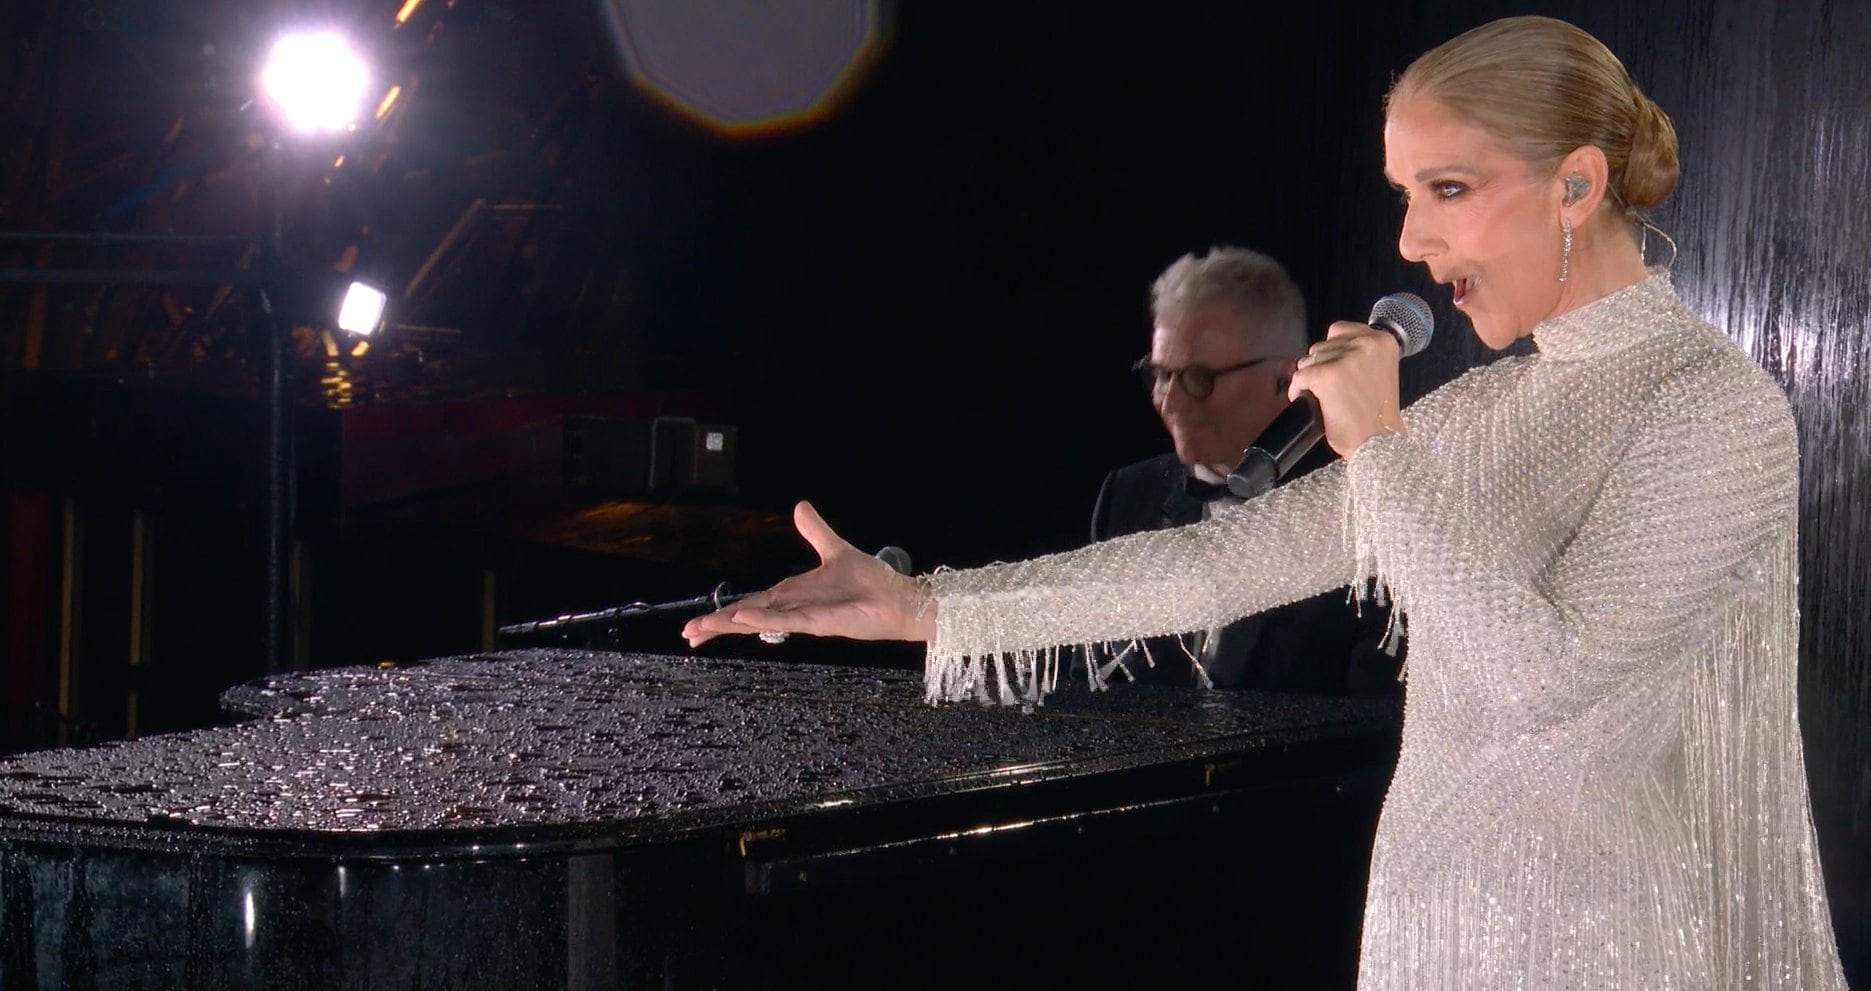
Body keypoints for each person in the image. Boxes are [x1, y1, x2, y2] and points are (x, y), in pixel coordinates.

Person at [684, 15, 1848, 988]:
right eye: (1402, 194)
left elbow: (1544, 682)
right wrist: (921, 606)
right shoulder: (1477, 415)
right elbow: (1213, 563)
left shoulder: (1712, 409)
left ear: (1576, 183)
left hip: (1600, 951)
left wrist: (1380, 446)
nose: (1409, 238)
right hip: (1422, 933)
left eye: (1448, 187)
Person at [1086, 245, 1400, 694]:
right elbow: (1092, 689)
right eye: (1160, 376)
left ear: (1287, 379)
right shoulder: (1127, 495)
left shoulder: (1367, 508)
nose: (1171, 403)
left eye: (1199, 379)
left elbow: (1377, 720)